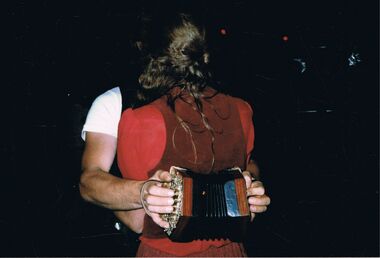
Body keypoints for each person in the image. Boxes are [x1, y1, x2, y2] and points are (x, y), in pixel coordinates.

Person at [80, 12, 270, 256]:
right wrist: (141, 191)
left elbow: (248, 164)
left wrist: (250, 187)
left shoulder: (138, 117)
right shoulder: (115, 102)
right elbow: (90, 183)